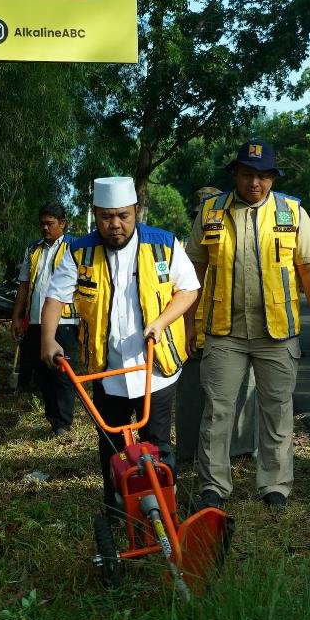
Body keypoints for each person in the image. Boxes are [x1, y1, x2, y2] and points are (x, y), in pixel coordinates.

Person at [41, 177, 199, 521]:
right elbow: (54, 297)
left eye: (124, 216)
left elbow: (188, 290)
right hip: (107, 369)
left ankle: (163, 509)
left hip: (156, 369)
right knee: (111, 446)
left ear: (136, 212)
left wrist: (160, 322)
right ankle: (116, 506)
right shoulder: (80, 251)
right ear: (96, 214)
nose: (115, 225)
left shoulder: (164, 245)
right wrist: (48, 339)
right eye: (107, 217)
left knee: (156, 444)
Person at [187, 141, 310, 511]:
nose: (256, 183)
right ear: (235, 173)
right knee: (218, 411)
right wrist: (189, 326)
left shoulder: (291, 212)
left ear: (272, 178)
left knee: (277, 410)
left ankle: (275, 486)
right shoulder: (210, 212)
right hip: (224, 330)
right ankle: (214, 486)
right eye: (249, 174)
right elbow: (193, 275)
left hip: (277, 332)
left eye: (264, 176)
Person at [12, 202, 79, 438]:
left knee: (62, 373)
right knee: (41, 372)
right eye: (42, 223)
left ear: (62, 224)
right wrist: (17, 316)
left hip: (66, 321)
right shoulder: (33, 249)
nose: (45, 228)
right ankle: (52, 418)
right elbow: (24, 284)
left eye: (50, 223)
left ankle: (63, 423)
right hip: (36, 320)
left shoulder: (75, 247)